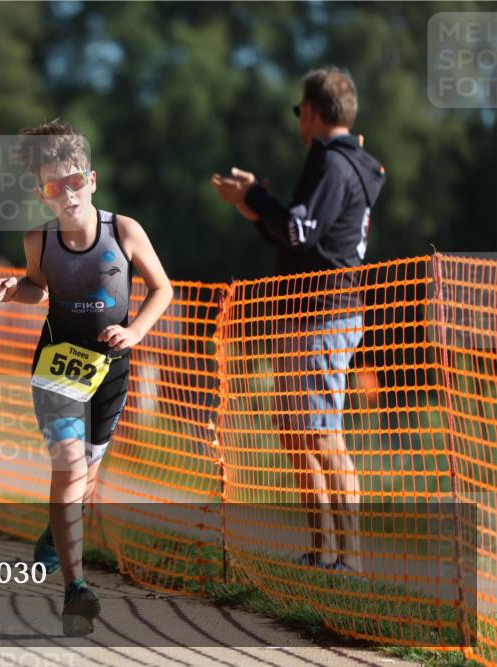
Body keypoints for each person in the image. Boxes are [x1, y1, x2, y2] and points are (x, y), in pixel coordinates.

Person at [0, 120, 172, 634]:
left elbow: (162, 290)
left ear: (91, 180)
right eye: (53, 186)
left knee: (84, 478)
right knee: (68, 465)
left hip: (110, 368)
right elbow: (39, 289)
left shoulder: (125, 231)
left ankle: (54, 533)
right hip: (57, 366)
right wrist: (10, 290)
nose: (66, 194)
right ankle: (77, 590)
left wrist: (135, 332)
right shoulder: (38, 241)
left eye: (73, 182)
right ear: (41, 194)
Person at [211, 67, 385, 572]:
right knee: (295, 431)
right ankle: (320, 548)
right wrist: (254, 206)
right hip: (303, 314)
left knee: (323, 434)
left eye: (298, 111)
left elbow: (298, 228)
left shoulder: (335, 164)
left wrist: (255, 198)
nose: (298, 120)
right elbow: (300, 233)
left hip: (325, 316)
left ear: (311, 112)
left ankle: (349, 558)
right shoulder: (328, 162)